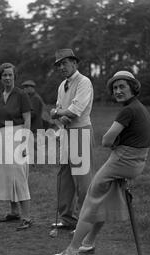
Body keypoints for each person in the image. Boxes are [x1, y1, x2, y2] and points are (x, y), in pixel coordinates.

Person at [53, 70, 150, 255]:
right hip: (135, 163)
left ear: (133, 87)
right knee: (104, 200)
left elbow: (107, 140)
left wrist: (115, 144)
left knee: (91, 201)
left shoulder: (128, 110)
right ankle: (88, 243)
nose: (117, 91)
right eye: (115, 88)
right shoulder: (139, 107)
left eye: (122, 86)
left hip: (122, 160)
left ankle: (72, 249)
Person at [49, 48, 95, 230]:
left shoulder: (84, 82)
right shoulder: (62, 85)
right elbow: (62, 111)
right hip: (66, 132)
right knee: (64, 177)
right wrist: (60, 114)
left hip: (81, 131)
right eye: (59, 64)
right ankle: (67, 218)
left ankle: (85, 222)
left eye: (65, 63)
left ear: (74, 63)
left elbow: (75, 111)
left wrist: (56, 113)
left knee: (83, 179)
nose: (62, 67)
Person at [0, 63, 33, 230]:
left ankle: (26, 217)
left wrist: (24, 142)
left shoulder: (21, 94)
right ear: (0, 77)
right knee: (6, 175)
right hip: (2, 135)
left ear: (15, 76)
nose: (8, 78)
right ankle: (14, 212)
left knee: (19, 175)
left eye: (10, 75)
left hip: (18, 135)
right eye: (4, 75)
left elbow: (27, 119)